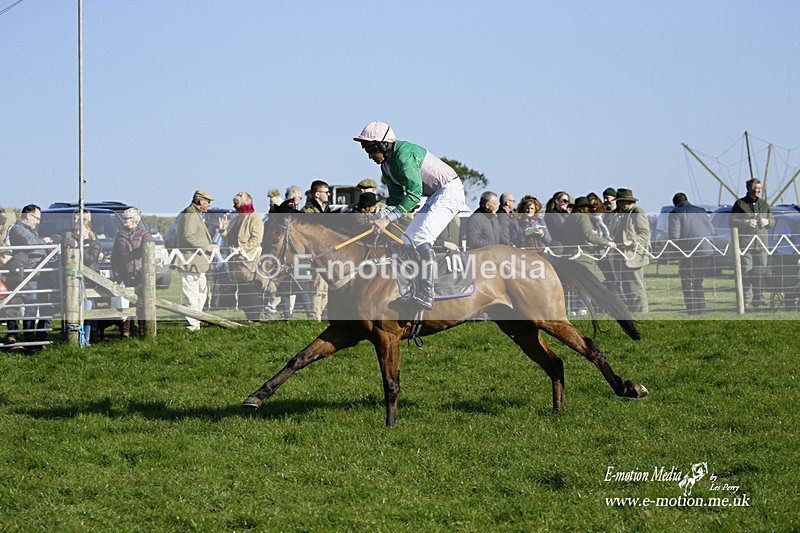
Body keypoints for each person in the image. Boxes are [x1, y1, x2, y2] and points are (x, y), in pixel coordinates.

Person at [354, 120, 466, 311]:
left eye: (372, 149)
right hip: (435, 194)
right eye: (367, 150)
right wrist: (382, 214)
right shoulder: (386, 167)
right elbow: (397, 199)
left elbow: (414, 195)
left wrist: (386, 219)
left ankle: (427, 295)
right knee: (408, 241)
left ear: (385, 144)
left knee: (421, 237)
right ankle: (413, 290)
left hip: (450, 191)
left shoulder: (403, 155)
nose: (370, 155)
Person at [7, 204, 55, 350]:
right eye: (37, 218)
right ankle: (30, 340)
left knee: (46, 306)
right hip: (30, 275)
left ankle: (39, 337)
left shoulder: (30, 231)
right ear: (28, 215)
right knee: (31, 308)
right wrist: (45, 242)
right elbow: (29, 243)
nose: (38, 221)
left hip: (40, 273)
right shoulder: (17, 229)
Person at [172, 190, 219, 331]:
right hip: (189, 261)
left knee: (201, 293)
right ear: (200, 201)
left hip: (198, 263)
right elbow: (188, 237)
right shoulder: (191, 214)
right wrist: (207, 246)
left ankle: (196, 322)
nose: (209, 205)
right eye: (208, 201)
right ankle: (192, 325)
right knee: (191, 294)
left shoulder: (195, 214)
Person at [668, 192, 716, 315]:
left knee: (687, 282)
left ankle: (692, 310)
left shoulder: (676, 213)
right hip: (707, 250)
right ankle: (702, 308)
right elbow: (711, 231)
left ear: (675, 203)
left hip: (689, 252)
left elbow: (674, 236)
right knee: (698, 282)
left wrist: (674, 251)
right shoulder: (701, 211)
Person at [729, 178, 774, 309]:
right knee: (747, 271)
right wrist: (745, 222)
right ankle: (746, 300)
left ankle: (759, 298)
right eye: (756, 189)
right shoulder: (740, 203)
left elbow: (772, 221)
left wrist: (767, 222)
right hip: (746, 244)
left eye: (760, 189)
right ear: (749, 189)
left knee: (761, 271)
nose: (759, 191)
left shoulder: (764, 204)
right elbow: (732, 220)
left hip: (761, 243)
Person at [220, 192, 264, 323]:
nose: (235, 207)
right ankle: (248, 317)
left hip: (248, 259)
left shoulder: (254, 218)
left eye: (237, 204)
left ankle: (255, 319)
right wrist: (223, 232)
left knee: (250, 288)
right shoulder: (236, 219)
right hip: (236, 260)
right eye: (234, 204)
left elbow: (256, 239)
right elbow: (229, 238)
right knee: (242, 289)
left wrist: (242, 249)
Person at [112, 208, 153, 338]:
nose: (124, 221)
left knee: (141, 303)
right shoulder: (120, 235)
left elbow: (148, 252)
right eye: (124, 218)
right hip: (125, 274)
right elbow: (115, 256)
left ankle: (142, 331)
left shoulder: (145, 234)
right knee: (125, 303)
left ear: (135, 220)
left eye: (127, 219)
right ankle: (126, 332)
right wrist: (117, 274)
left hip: (140, 274)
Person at [63, 210, 102, 344]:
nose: (78, 233)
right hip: (74, 281)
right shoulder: (73, 242)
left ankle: (85, 339)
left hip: (89, 283)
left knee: (86, 311)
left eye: (81, 230)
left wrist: (78, 247)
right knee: (73, 310)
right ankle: (73, 336)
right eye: (76, 231)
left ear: (87, 230)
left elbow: (91, 259)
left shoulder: (94, 243)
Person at [612, 188, 651, 313]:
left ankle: (642, 313)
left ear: (624, 202)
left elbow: (645, 234)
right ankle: (634, 313)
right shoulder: (625, 214)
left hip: (634, 256)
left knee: (636, 288)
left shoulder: (637, 212)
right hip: (625, 256)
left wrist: (632, 242)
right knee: (628, 288)